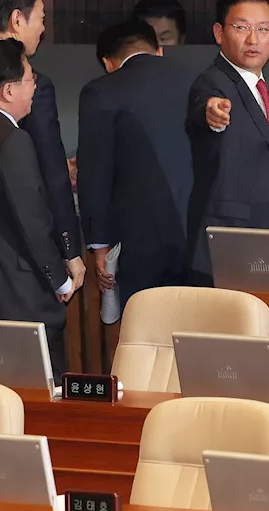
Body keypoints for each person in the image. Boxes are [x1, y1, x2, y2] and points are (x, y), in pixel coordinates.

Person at [0, 40, 73, 372]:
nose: (35, 84)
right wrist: (59, 280)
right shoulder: (12, 140)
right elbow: (32, 220)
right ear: (8, 91)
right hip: (19, 296)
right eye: (29, 77)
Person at [186, 0, 269, 282]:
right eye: (241, 27)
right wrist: (212, 115)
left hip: (268, 241)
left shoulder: (257, 86)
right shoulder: (213, 83)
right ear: (218, 33)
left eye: (263, 29)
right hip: (234, 246)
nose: (253, 39)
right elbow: (204, 114)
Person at [0, 0, 85, 289]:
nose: (43, 27)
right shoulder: (32, 84)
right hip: (21, 253)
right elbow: (52, 170)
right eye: (40, 16)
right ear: (16, 20)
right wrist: (69, 248)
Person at [77, 19, 193, 311]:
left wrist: (99, 245)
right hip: (200, 236)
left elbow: (95, 174)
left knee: (147, 336)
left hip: (139, 242)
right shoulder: (198, 80)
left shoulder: (101, 91)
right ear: (159, 50)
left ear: (108, 62)